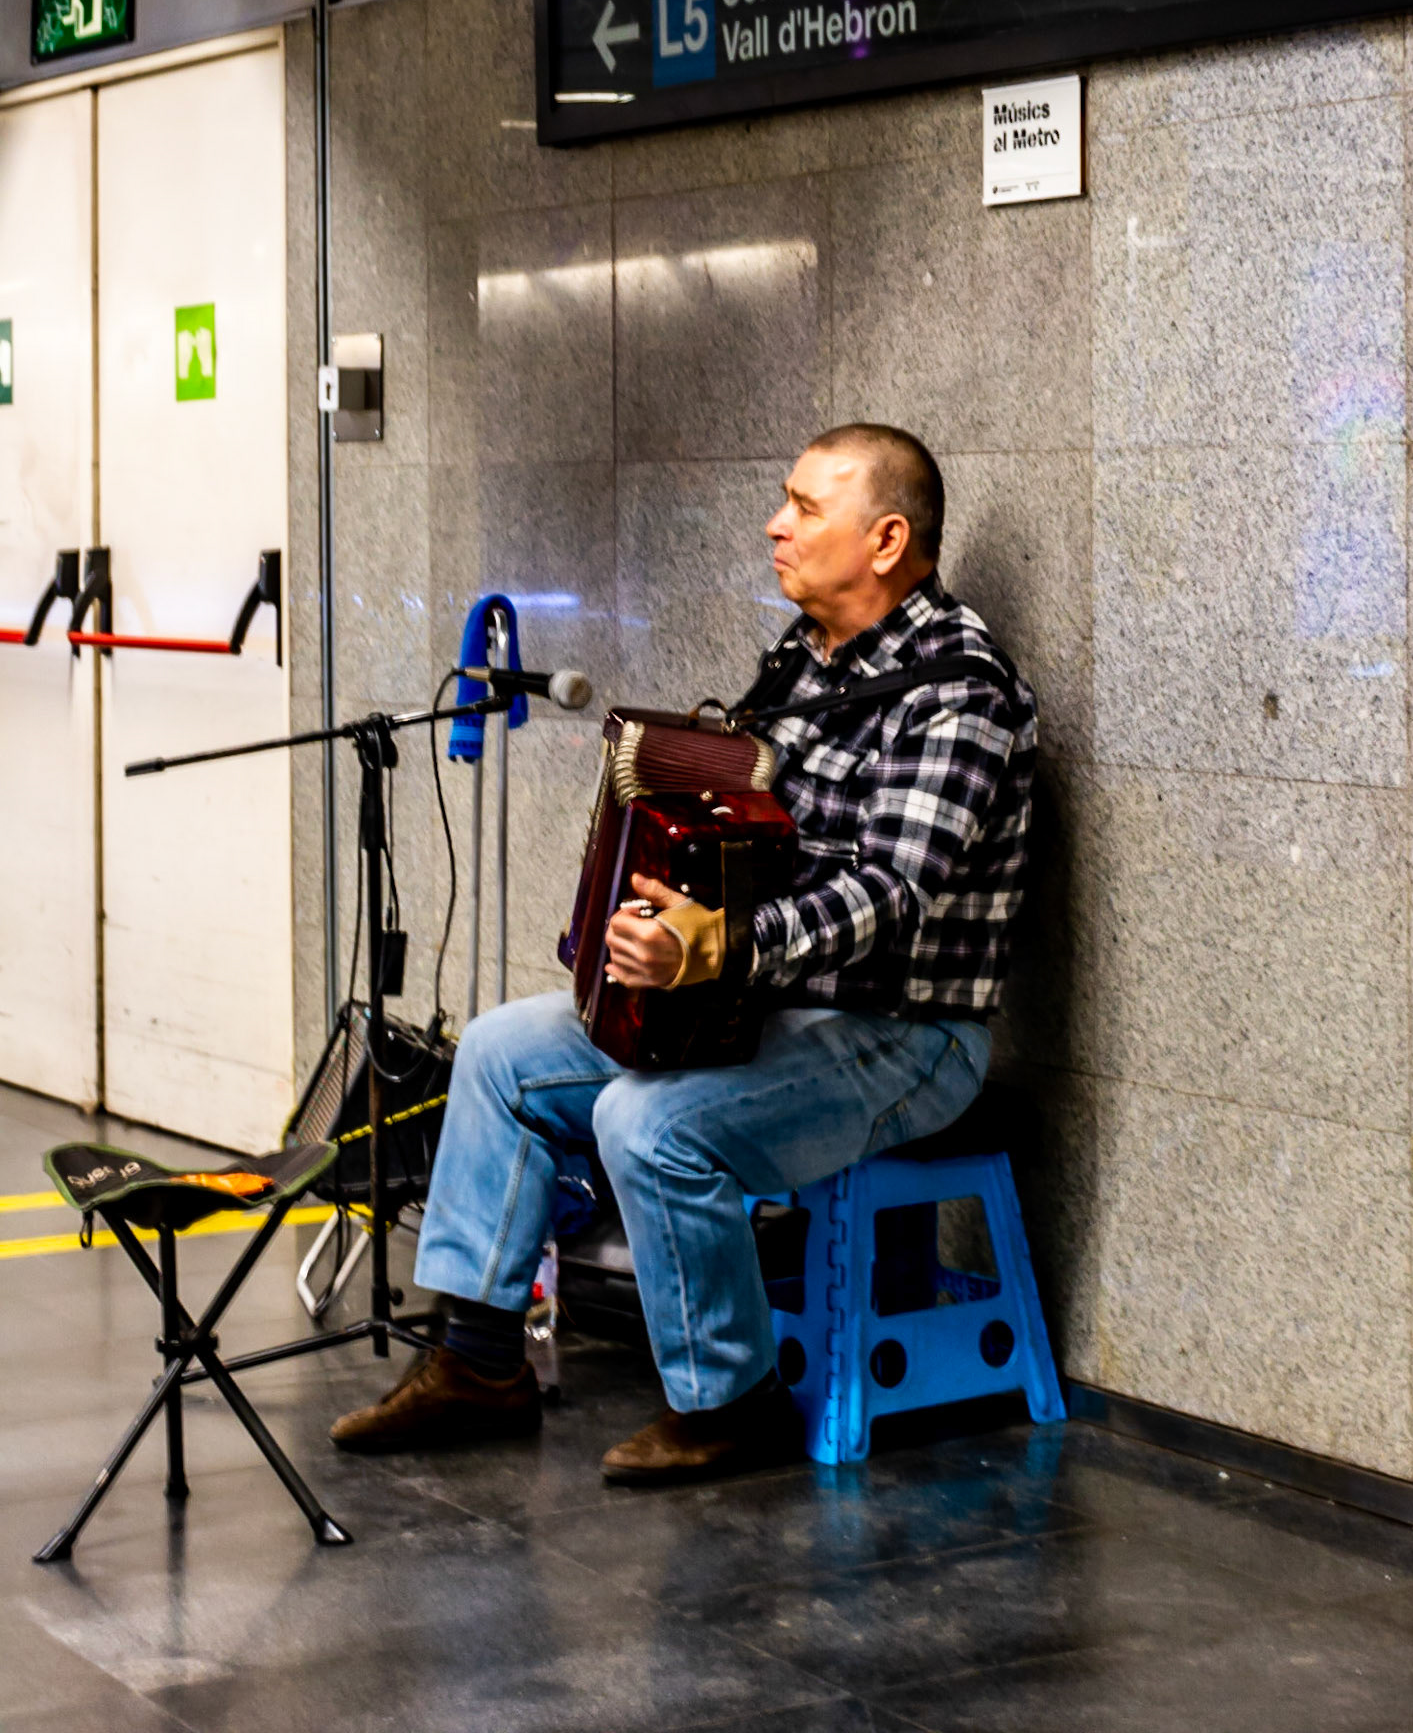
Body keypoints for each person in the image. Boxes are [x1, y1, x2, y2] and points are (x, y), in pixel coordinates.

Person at [330, 423, 1037, 1483]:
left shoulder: (959, 692)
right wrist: (660, 905)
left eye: (804, 506)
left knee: (646, 1119)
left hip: (903, 1033)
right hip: (770, 1003)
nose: (776, 523)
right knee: (501, 1051)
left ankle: (731, 1404)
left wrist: (727, 945)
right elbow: (746, 826)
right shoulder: (803, 661)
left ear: (886, 538)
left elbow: (890, 894)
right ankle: (479, 1362)